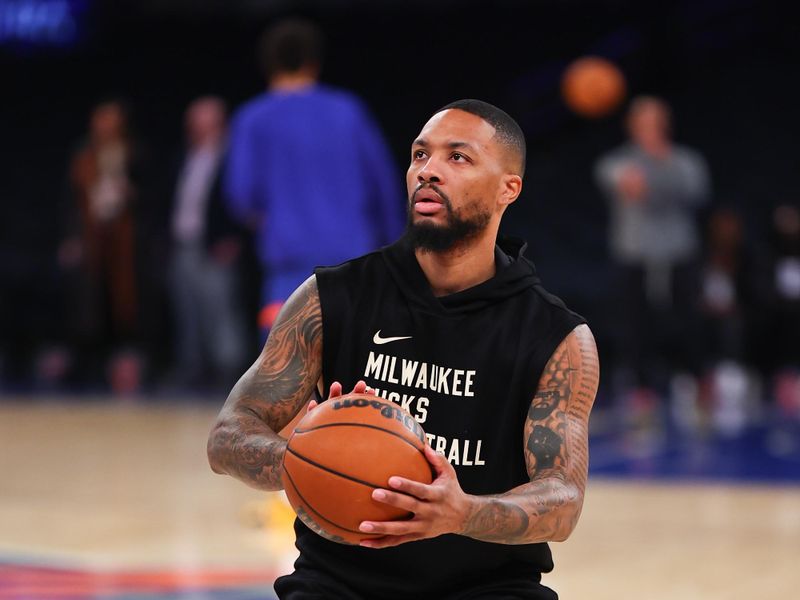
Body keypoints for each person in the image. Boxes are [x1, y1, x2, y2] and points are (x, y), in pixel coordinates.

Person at [208, 99, 599, 599]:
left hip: (487, 587)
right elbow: (226, 436)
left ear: (509, 188)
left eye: (457, 157)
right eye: (419, 155)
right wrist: (303, 457)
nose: (428, 171)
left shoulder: (555, 336)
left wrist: (461, 512)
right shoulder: (332, 297)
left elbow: (563, 501)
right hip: (338, 583)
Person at [224, 17, 405, 339]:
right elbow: (384, 184)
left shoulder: (253, 119)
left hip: (288, 265)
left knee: (284, 374)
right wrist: (394, 245)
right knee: (356, 367)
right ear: (313, 61)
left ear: (267, 63)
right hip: (353, 259)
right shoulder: (348, 111)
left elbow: (241, 196)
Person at [594, 95, 710, 400]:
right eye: (642, 122)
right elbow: (624, 183)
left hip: (679, 252)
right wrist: (640, 179)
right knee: (634, 325)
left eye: (655, 122)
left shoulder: (686, 161)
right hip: (633, 253)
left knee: (689, 320)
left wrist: (660, 163)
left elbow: (696, 191)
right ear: (631, 126)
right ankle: (640, 393)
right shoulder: (616, 162)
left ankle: (697, 384)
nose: (649, 128)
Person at [60, 98, 146, 392]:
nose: (105, 127)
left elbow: (151, 197)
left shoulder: (134, 154)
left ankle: (125, 368)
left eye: (111, 121)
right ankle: (89, 368)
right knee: (89, 306)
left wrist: (131, 194)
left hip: (125, 245)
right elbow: (70, 201)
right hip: (92, 241)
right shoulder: (83, 155)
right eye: (101, 121)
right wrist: (71, 238)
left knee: (124, 304)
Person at [166, 96, 249, 391]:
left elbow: (240, 202)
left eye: (203, 121)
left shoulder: (232, 158)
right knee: (188, 311)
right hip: (184, 243)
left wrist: (232, 239)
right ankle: (192, 369)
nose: (197, 127)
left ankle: (228, 373)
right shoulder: (185, 157)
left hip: (216, 247)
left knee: (220, 310)